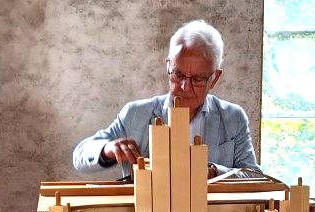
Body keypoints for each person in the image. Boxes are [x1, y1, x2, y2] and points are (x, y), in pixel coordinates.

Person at [73, 19, 261, 179]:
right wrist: (107, 149)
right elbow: (80, 156)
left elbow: (254, 176)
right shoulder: (135, 114)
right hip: (147, 211)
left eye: (197, 79)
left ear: (215, 78)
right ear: (168, 66)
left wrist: (214, 172)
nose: (185, 87)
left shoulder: (233, 117)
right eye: (178, 75)